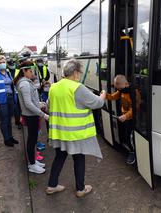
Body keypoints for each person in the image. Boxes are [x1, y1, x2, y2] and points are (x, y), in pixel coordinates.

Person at [45, 59, 106, 198]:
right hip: (75, 134)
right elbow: (97, 103)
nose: (79, 75)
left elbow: (49, 106)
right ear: (75, 72)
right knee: (79, 159)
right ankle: (80, 189)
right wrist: (102, 95)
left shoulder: (54, 87)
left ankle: (51, 186)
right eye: (79, 72)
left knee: (59, 158)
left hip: (59, 133)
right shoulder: (77, 87)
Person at [15, 61, 49, 174]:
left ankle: (33, 161)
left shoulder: (26, 82)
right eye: (30, 71)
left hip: (32, 115)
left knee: (33, 139)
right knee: (31, 140)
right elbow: (28, 104)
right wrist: (43, 114)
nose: (32, 73)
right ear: (24, 71)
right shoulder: (24, 84)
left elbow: (32, 101)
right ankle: (32, 165)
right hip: (30, 116)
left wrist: (40, 104)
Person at [105, 74, 137, 164]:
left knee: (128, 136)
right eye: (117, 88)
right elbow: (113, 96)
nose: (119, 90)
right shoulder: (121, 90)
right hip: (125, 117)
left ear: (126, 84)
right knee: (125, 134)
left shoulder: (133, 92)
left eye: (120, 88)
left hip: (132, 118)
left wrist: (125, 116)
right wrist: (105, 95)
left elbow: (135, 108)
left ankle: (132, 152)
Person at [0, 55, 19, 147]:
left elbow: (11, 85)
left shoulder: (8, 72)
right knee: (4, 120)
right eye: (0, 62)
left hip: (10, 99)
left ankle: (10, 137)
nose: (2, 64)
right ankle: (6, 139)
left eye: (3, 62)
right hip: (1, 100)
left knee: (9, 119)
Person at [7, 58, 22, 129]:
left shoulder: (18, 71)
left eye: (13, 64)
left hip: (20, 91)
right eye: (10, 64)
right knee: (16, 109)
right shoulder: (7, 72)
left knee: (22, 106)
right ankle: (18, 122)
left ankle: (24, 120)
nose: (12, 65)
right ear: (8, 65)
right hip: (12, 93)